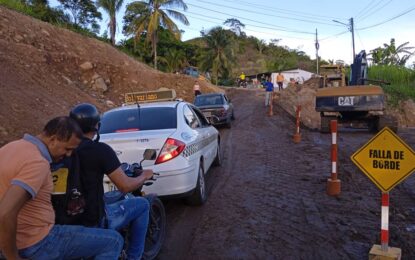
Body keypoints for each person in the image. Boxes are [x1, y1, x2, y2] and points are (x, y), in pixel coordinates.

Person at [0, 116, 123, 260]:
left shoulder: (10, 148)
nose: (69, 154)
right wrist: (13, 257)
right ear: (53, 139)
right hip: (38, 242)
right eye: (68, 148)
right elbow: (4, 213)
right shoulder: (37, 162)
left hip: (15, 240)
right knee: (113, 241)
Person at [63, 103, 154, 260]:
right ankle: (134, 257)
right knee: (143, 205)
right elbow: (125, 186)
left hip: (64, 224)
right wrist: (144, 176)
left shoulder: (59, 150)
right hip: (93, 221)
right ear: (97, 126)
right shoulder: (100, 150)